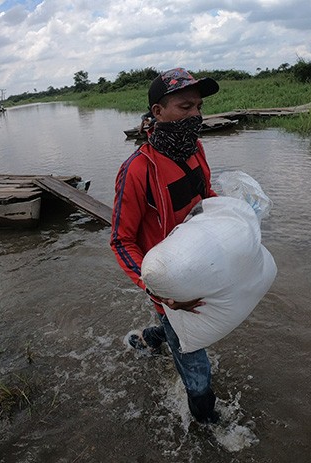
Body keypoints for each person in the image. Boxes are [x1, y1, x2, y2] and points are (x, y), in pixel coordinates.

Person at [110, 68, 221, 424]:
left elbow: (206, 198)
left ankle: (148, 338)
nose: (196, 116)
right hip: (168, 285)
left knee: (175, 331)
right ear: (158, 113)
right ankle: (207, 424)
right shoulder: (137, 170)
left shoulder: (196, 150)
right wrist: (155, 288)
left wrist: (233, 218)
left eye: (199, 107)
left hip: (200, 267)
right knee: (197, 368)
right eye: (185, 107)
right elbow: (121, 240)